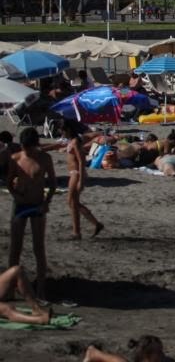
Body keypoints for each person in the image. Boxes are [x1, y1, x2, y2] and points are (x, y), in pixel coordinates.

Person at [6, 127, 54, 301]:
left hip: (37, 205)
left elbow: (53, 184)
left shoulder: (44, 159)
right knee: (15, 248)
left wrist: (46, 203)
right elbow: (9, 182)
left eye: (29, 147)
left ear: (35, 145)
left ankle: (41, 288)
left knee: (38, 247)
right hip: (20, 205)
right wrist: (16, 194)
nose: (26, 150)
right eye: (24, 147)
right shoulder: (16, 159)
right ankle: (11, 288)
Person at [60, 122, 104, 240]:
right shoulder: (72, 141)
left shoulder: (75, 142)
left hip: (76, 174)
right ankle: (95, 224)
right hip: (73, 173)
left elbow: (81, 161)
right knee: (72, 202)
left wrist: (81, 180)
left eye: (62, 130)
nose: (61, 132)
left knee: (73, 202)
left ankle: (76, 232)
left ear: (68, 130)